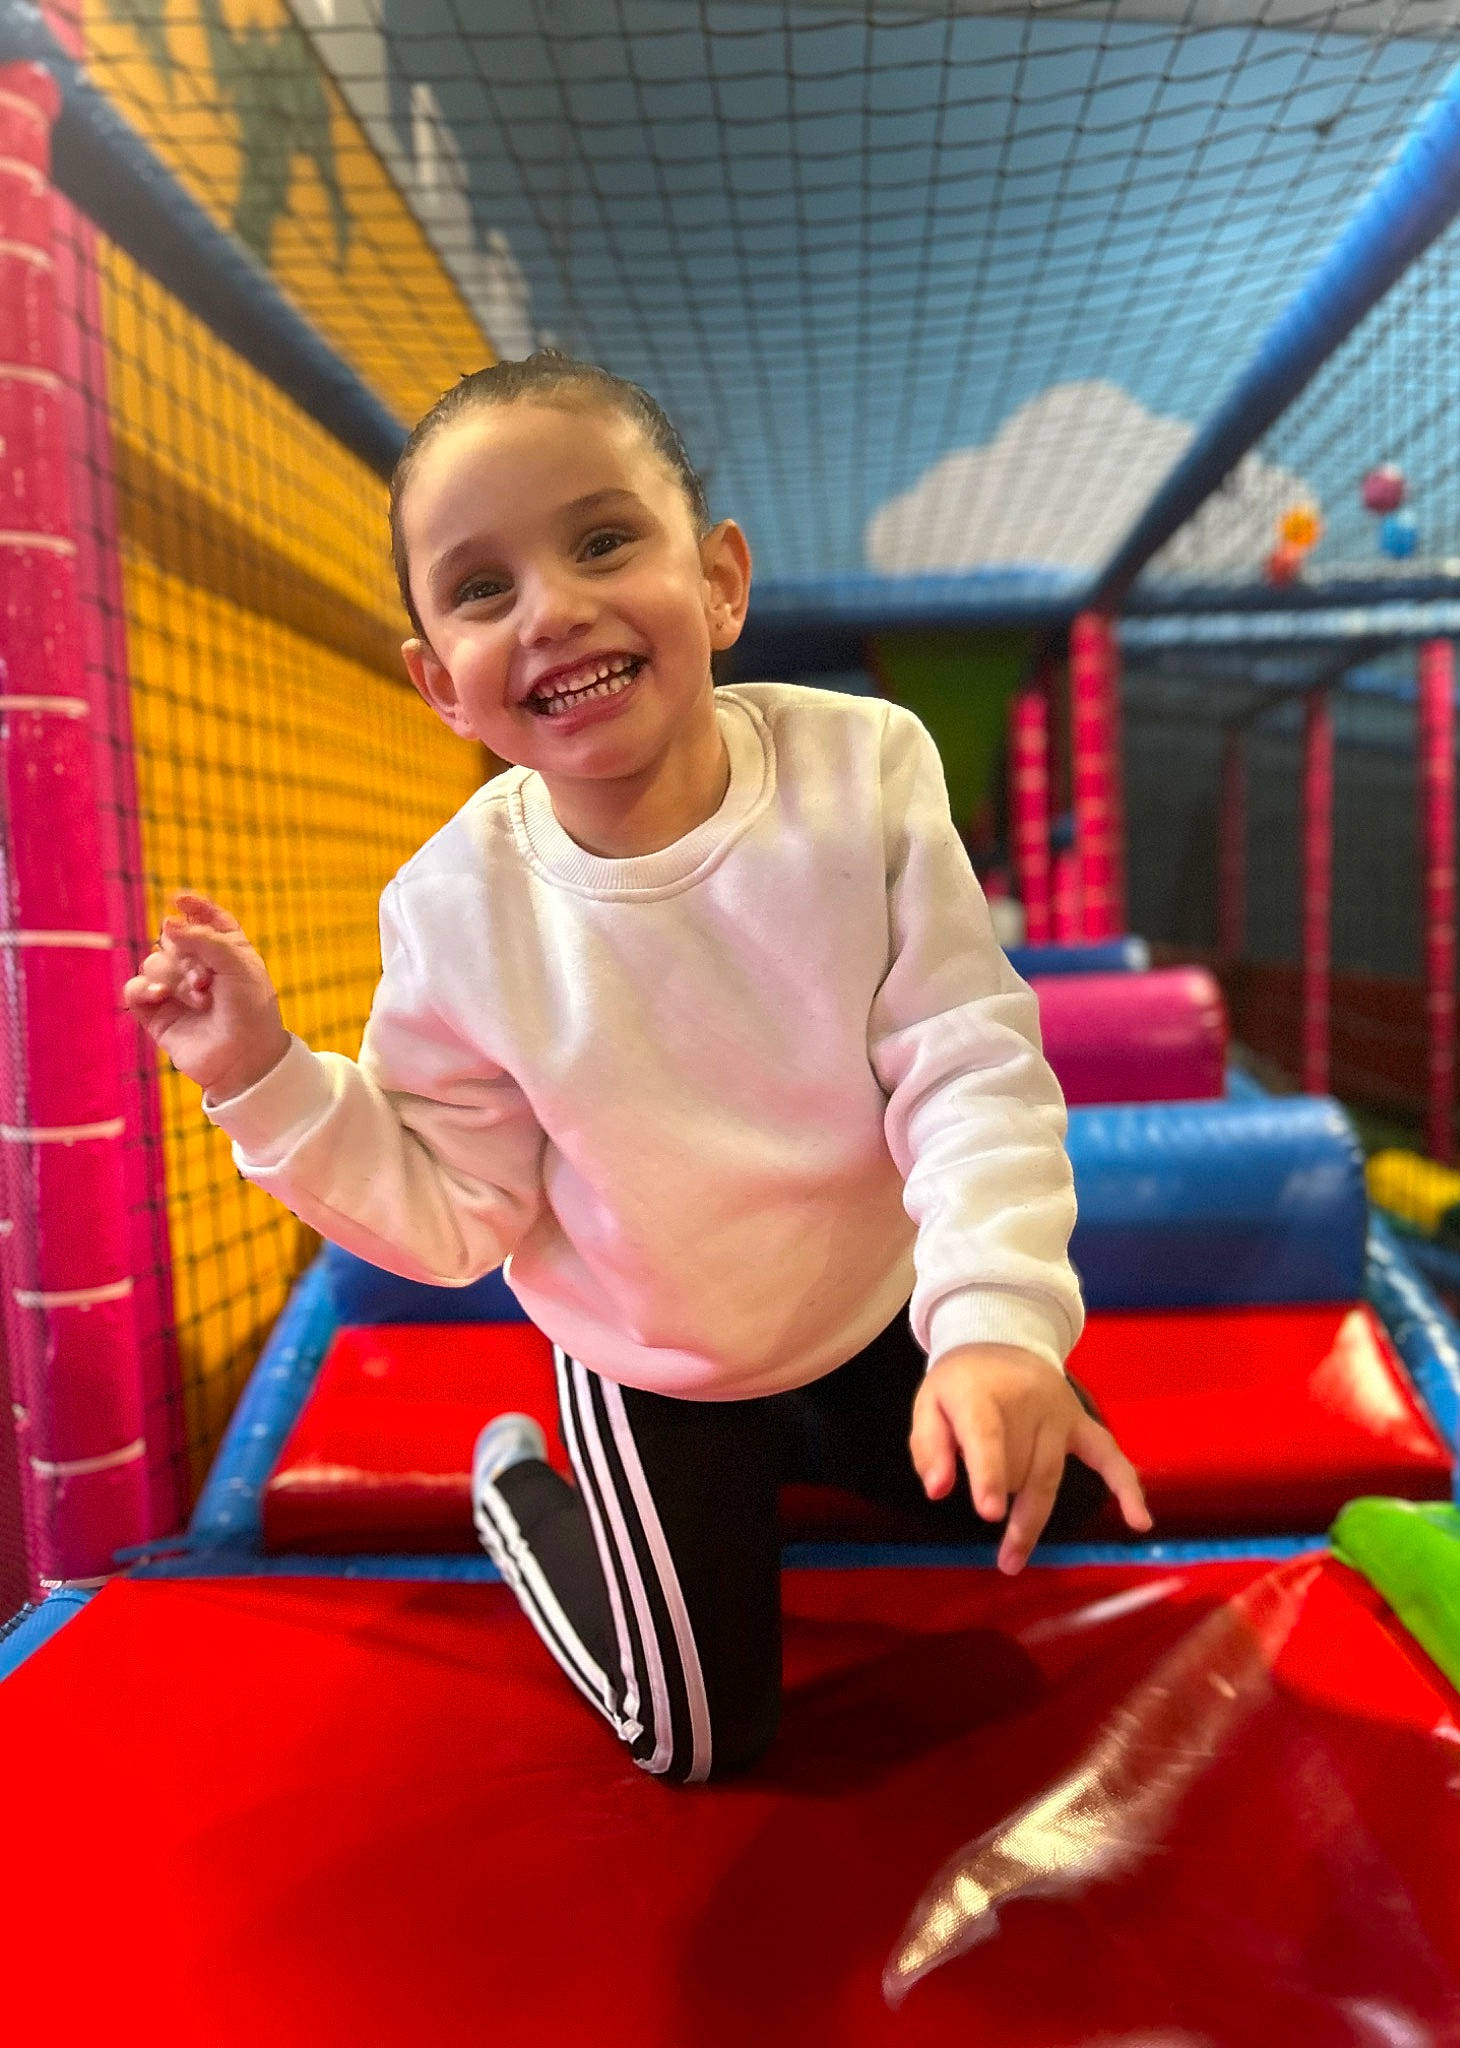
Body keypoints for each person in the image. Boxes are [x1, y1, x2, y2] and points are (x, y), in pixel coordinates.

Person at [124, 352, 1151, 1784]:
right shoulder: (454, 908)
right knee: (690, 1743)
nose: (552, 607)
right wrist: (262, 1075)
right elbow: (455, 1211)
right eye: (483, 589)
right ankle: (526, 1495)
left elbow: (969, 1065)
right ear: (440, 684)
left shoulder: (863, 772)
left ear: (720, 582)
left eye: (604, 540)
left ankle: (850, 1438)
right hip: (653, 1364)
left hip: (875, 1309)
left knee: (1083, 1517)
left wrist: (993, 1328)